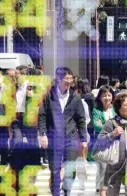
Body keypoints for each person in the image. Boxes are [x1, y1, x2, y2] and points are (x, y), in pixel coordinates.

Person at [38, 67, 88, 196]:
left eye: (71, 78)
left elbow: (81, 119)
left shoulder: (75, 97)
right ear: (59, 79)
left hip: (70, 138)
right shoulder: (49, 95)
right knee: (55, 170)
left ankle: (67, 191)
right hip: (54, 137)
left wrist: (83, 139)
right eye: (67, 78)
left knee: (70, 169)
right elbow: (42, 115)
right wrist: (43, 134)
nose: (69, 81)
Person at [96, 93, 127, 196]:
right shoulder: (111, 123)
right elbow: (100, 140)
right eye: (126, 105)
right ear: (119, 108)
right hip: (114, 168)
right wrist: (112, 134)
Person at [92, 85, 116, 196]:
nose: (107, 98)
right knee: (103, 167)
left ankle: (107, 189)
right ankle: (102, 191)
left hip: (116, 144)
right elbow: (97, 126)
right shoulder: (96, 110)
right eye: (104, 95)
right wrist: (113, 131)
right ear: (100, 98)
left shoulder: (116, 109)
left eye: (109, 95)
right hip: (102, 143)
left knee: (113, 167)